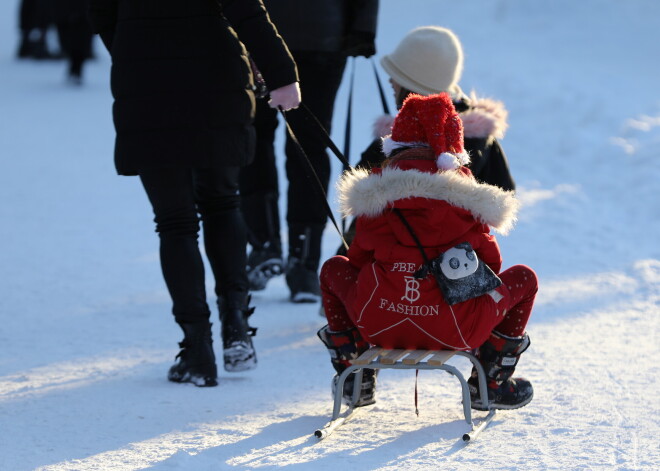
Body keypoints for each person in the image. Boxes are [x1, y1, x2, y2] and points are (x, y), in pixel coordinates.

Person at [88, 0, 300, 386]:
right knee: (222, 202)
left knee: (175, 222)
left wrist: (134, 51)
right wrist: (282, 74)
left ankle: (197, 350)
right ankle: (236, 325)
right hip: (215, 73)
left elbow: (101, 13)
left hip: (145, 80)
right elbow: (247, 10)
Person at [318, 93, 538, 411]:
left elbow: (356, 261)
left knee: (333, 269)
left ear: (396, 143)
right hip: (457, 328)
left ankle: (355, 376)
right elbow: (492, 265)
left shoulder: (375, 199)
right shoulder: (468, 200)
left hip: (379, 322)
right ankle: (491, 381)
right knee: (524, 279)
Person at [239, 0, 379, 302]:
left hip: (258, 33)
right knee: (310, 144)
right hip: (324, 34)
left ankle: (264, 244)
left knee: (254, 139)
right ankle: (303, 261)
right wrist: (362, 28)